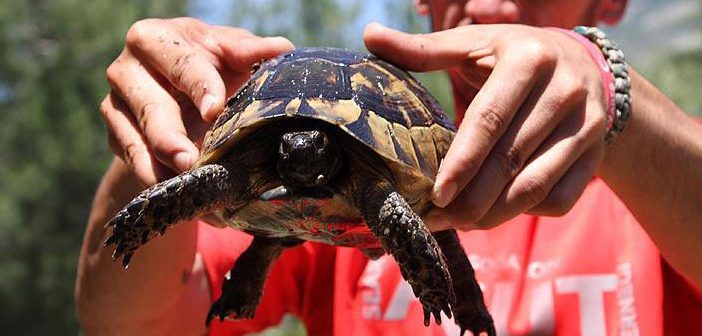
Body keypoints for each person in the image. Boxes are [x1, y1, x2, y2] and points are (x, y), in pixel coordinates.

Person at [75, 0, 702, 335]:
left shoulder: (662, 177)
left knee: (390, 210)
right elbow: (127, 327)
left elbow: (389, 206)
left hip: (376, 188)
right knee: (239, 205)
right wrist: (162, 152)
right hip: (294, 204)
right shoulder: (311, 210)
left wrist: (613, 90)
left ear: (613, 2)